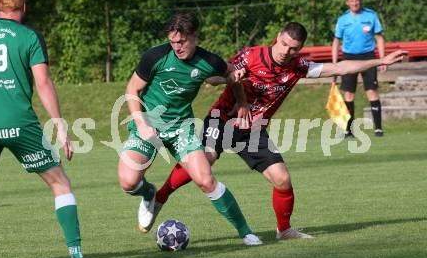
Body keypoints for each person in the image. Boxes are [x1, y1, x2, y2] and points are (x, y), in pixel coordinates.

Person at [147, 22, 405, 240]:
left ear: (299, 49)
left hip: (254, 130)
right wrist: (229, 79)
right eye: (284, 45)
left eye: (293, 48)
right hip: (222, 119)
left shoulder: (298, 66)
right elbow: (215, 76)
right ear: (277, 39)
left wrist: (381, 60)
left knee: (282, 179)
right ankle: (159, 198)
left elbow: (340, 67)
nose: (286, 51)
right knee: (204, 161)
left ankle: (284, 230)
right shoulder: (251, 56)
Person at [118, 12, 262, 246]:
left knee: (206, 180)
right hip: (148, 124)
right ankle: (149, 194)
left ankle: (246, 232)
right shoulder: (155, 56)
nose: (177, 47)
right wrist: (142, 124)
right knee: (128, 182)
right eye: (173, 41)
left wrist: (242, 101)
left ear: (195, 36)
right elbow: (132, 90)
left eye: (182, 42)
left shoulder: (209, 61)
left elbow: (231, 74)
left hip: (181, 128)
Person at [0, 0, 97, 258]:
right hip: (20, 122)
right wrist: (59, 123)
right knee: (60, 183)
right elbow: (43, 83)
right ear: (24, 5)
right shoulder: (29, 37)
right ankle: (76, 256)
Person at [332, 0, 386, 137]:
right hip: (349, 58)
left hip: (368, 57)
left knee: (371, 92)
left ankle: (378, 129)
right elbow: (336, 41)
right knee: (349, 94)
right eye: (352, 1)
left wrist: (382, 59)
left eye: (357, 0)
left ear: (360, 1)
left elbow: (379, 38)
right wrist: (335, 64)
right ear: (347, 2)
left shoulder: (371, 15)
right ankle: (348, 130)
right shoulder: (343, 19)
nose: (355, 3)